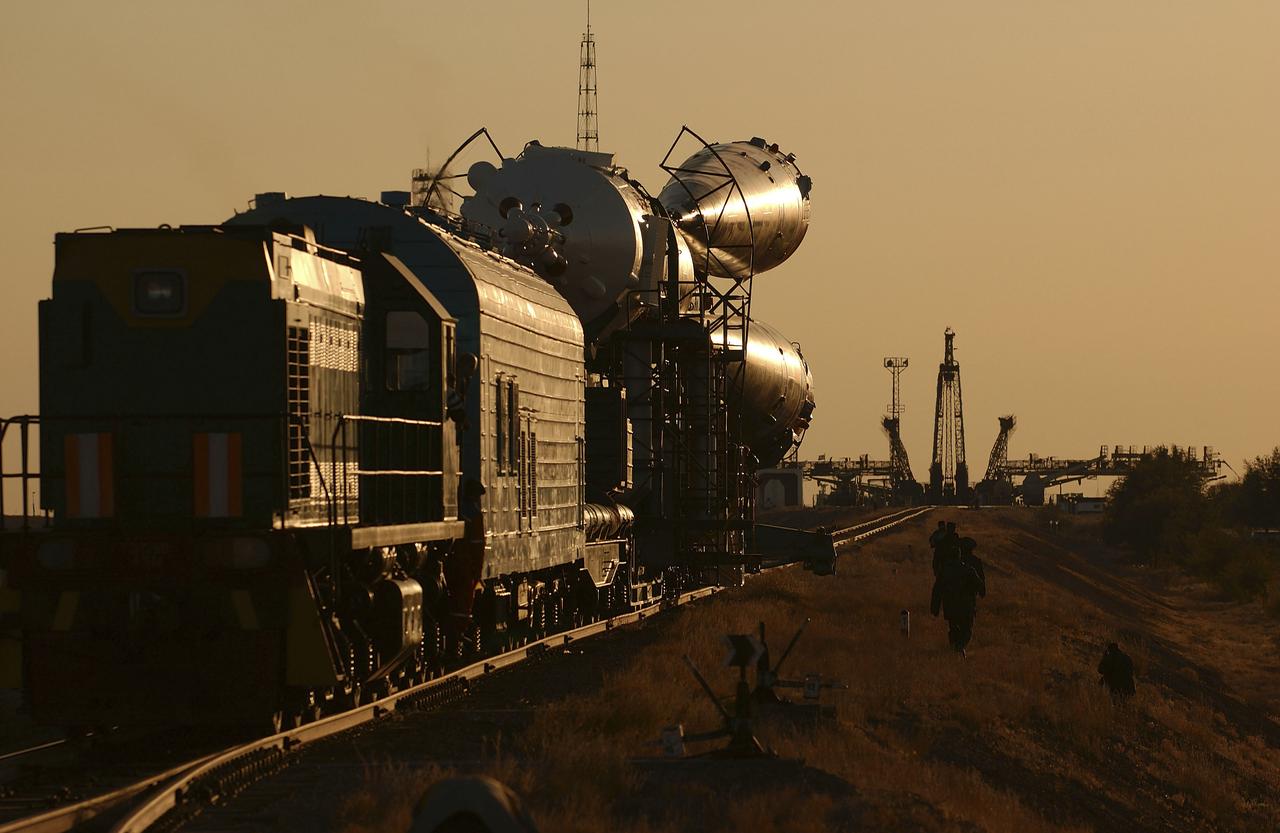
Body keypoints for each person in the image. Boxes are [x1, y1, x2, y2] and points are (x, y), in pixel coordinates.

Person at [930, 548, 983, 656]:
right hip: (966, 607)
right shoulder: (968, 570)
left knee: (953, 629)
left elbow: (937, 591)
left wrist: (935, 608)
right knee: (966, 631)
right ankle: (959, 648)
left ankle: (955, 651)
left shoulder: (944, 571)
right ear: (959, 556)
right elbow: (979, 585)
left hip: (950, 607)